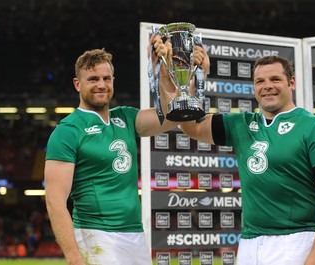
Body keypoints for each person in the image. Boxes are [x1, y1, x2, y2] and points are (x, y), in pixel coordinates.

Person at [44, 37, 209, 264]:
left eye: (106, 78)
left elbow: (173, 115)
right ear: (77, 84)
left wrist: (190, 73)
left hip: (134, 235)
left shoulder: (125, 117)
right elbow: (54, 200)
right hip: (96, 235)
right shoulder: (68, 130)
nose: (101, 84)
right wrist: (73, 257)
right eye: (93, 79)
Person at [179, 55, 315, 265]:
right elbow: (190, 126)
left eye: (275, 79)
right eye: (260, 81)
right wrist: (197, 76)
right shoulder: (241, 123)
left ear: (291, 83)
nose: (267, 86)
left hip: (295, 241)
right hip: (250, 242)